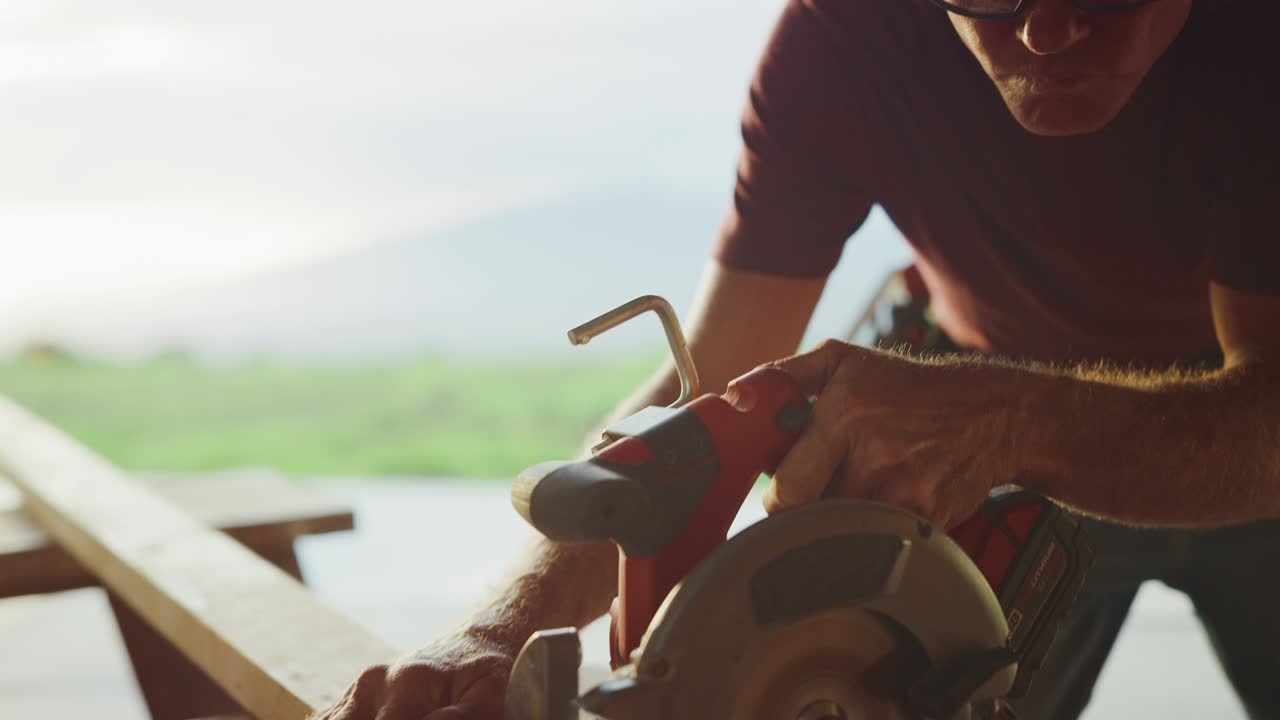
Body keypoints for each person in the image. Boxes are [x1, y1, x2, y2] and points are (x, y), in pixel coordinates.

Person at [318, 0, 1279, 717]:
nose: (1046, 29)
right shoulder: (848, 39)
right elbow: (710, 378)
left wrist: (1007, 417)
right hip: (963, 411)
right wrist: (497, 632)